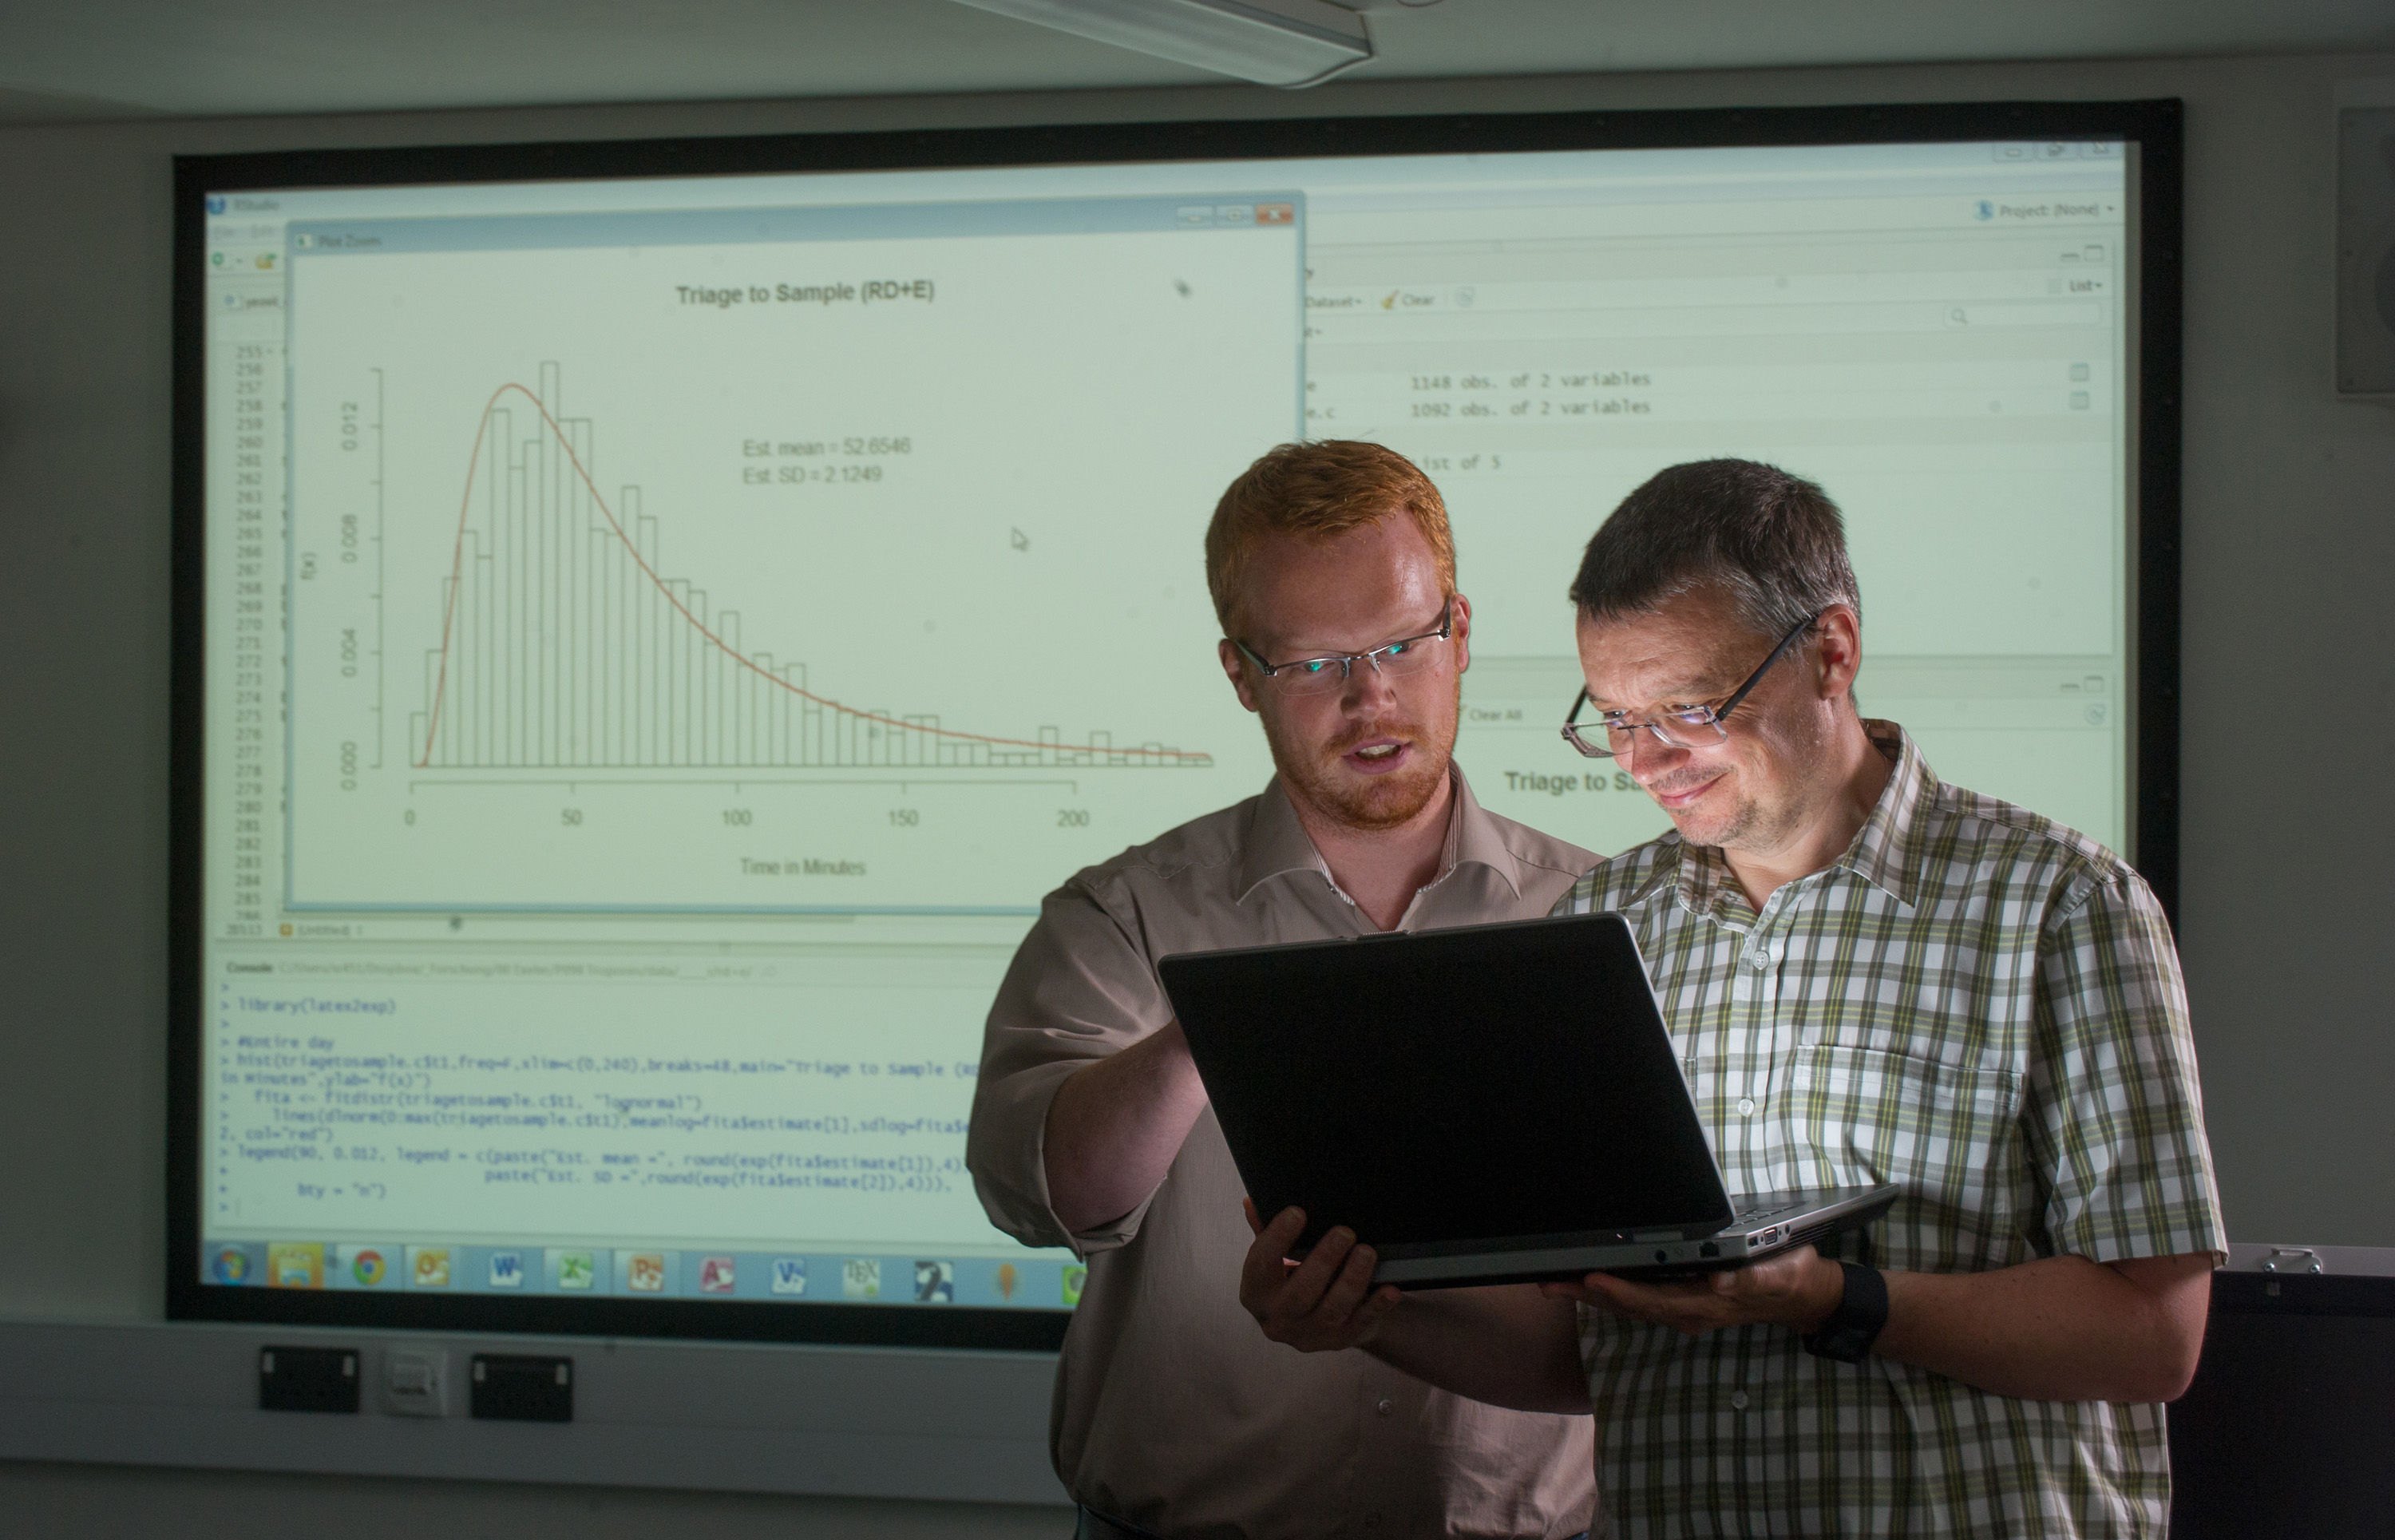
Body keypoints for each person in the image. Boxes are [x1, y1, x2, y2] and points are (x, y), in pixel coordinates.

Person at [1237, 458, 2226, 1537]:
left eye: (1690, 709)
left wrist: (1835, 1298)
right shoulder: (1601, 927)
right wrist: (1363, 1313)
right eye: (1615, 718)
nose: (1646, 761)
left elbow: (2154, 1336)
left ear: (1833, 651)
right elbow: (1589, 1354)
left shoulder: (2060, 906)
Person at [967, 441, 1599, 1540]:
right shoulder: (1123, 915)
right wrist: (1217, 1027)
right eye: (1312, 664)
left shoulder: (1602, 918)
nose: (1370, 697)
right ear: (1239, 675)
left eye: (1403, 643)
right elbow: (1041, 1193)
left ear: (1459, 633)